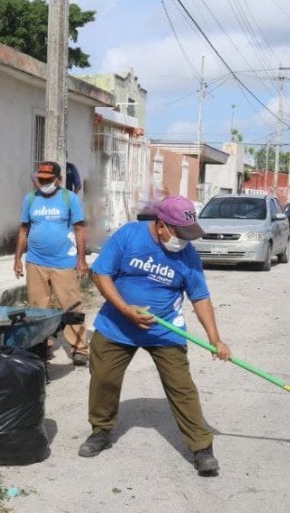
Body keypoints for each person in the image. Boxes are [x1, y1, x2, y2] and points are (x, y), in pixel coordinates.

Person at [79, 195, 231, 477]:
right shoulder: (129, 236)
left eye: (189, 235)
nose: (184, 241)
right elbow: (100, 274)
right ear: (161, 226)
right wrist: (125, 309)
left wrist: (215, 338)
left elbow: (200, 296)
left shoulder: (187, 255)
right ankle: (100, 431)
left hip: (165, 330)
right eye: (179, 234)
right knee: (104, 379)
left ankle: (201, 447)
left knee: (182, 387)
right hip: (117, 324)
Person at [13, 161, 90, 365]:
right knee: (38, 308)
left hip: (63, 262)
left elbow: (80, 230)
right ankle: (42, 345)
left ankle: (79, 347)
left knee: (71, 305)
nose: (44, 183)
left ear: (59, 179)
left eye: (48, 180)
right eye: (41, 179)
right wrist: (17, 259)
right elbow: (23, 230)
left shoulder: (69, 198)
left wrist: (81, 260)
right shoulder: (30, 199)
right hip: (35, 262)